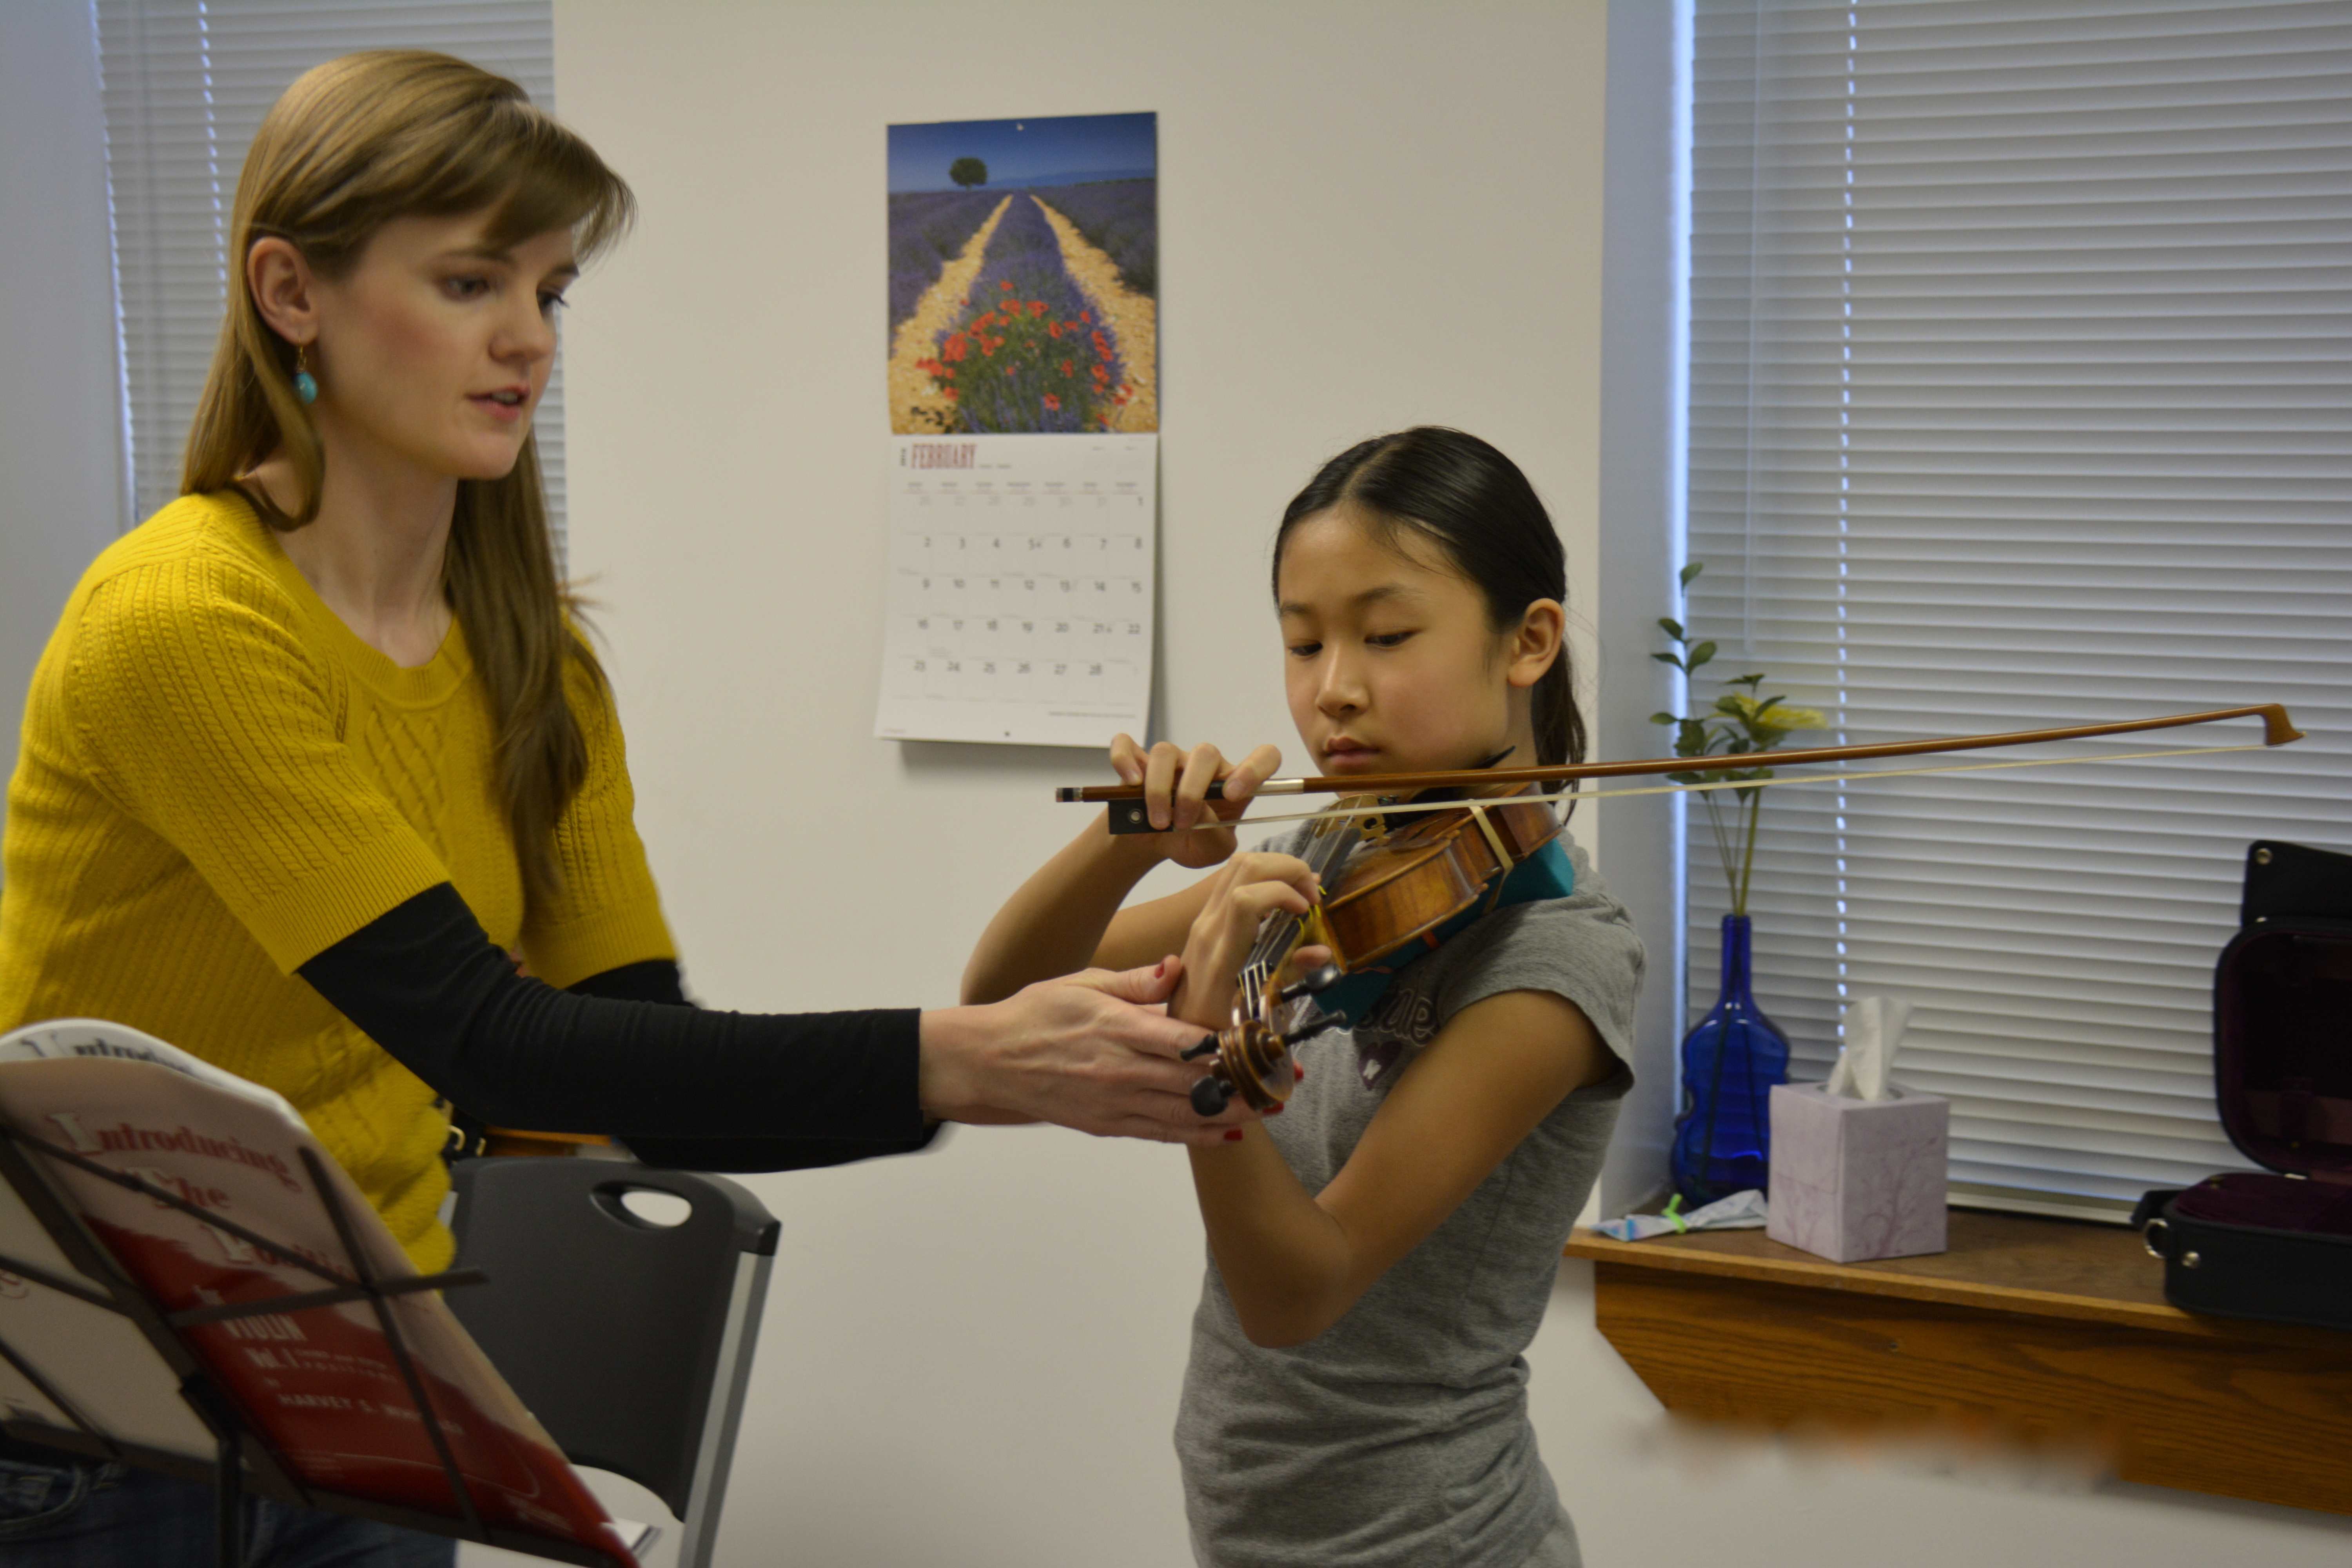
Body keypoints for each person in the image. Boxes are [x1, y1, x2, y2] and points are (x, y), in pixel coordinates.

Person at [0, 51, 1241, 1566]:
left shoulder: (533, 661)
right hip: (90, 1422)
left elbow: (632, 1066)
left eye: (551, 290)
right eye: (469, 283)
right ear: (290, 291)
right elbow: (485, 1037)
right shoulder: (180, 620)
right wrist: (969, 1062)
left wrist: (1001, 1056)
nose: (527, 339)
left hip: (357, 1394)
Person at [966, 428, 1644, 1568]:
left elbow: (1299, 1290)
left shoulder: (1554, 964)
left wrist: (1203, 1045)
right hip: (1267, 1534)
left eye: (1386, 637)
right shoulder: (1344, 853)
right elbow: (1000, 999)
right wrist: (1131, 841)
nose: (1333, 691)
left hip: (1431, 1542)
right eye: (1302, 641)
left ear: (1528, 642)